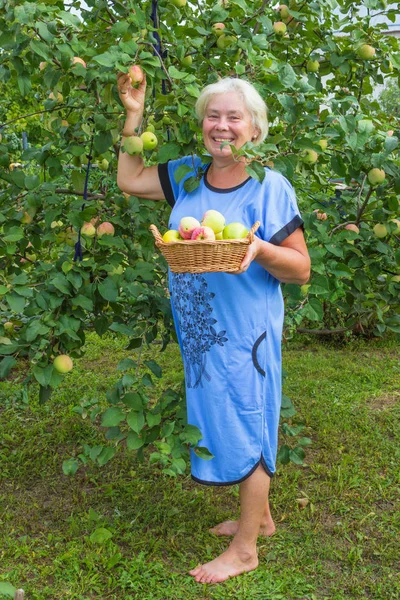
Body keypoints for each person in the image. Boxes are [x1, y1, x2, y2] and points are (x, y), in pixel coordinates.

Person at [117, 71, 310, 585]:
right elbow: (129, 179)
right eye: (213, 115)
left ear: (254, 129)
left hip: (247, 333)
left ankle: (245, 550)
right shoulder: (185, 176)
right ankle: (260, 518)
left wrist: (261, 249)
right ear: (202, 123)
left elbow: (301, 268)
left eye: (234, 117)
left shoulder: (270, 188)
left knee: (247, 418)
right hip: (203, 334)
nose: (221, 126)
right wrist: (134, 114)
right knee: (223, 416)